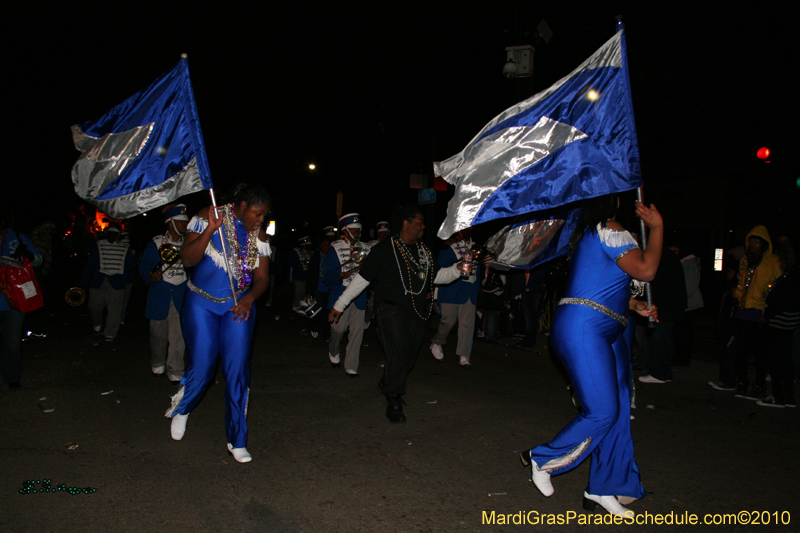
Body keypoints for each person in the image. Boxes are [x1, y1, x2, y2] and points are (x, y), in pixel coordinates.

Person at [520, 195, 662, 518]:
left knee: (620, 406)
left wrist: (635, 305)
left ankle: (603, 486)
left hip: (608, 329)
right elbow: (647, 269)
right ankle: (543, 458)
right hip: (586, 329)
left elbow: (603, 287)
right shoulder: (607, 229)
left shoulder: (588, 234)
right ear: (610, 200)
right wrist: (658, 228)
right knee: (602, 411)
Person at [165, 184, 270, 464]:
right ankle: (183, 408)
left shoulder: (257, 235)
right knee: (203, 368)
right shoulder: (206, 215)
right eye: (258, 214)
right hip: (201, 304)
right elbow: (187, 259)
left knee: (238, 372)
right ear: (243, 205)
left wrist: (249, 300)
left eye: (265, 216)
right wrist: (210, 229)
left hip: (237, 307)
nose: (262, 221)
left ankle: (237, 439)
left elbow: (262, 279)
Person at [329, 204, 463, 422]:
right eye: (419, 223)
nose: (423, 227)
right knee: (398, 353)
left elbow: (437, 277)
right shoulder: (384, 250)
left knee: (408, 358)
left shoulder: (424, 252)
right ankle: (394, 399)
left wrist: (457, 270)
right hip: (389, 310)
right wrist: (340, 305)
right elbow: (362, 279)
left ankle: (387, 382)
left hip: (416, 313)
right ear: (406, 223)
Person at [138, 204, 189, 384]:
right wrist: (151, 276)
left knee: (178, 337)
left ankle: (176, 370)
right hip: (159, 296)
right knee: (158, 336)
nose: (185, 225)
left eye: (185, 222)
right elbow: (144, 268)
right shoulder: (156, 244)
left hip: (180, 296)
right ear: (170, 224)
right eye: (181, 222)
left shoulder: (189, 244)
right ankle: (158, 363)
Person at [730, 226, 782, 400]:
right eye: (750, 241)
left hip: (760, 312)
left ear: (764, 244)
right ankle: (742, 384)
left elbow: (777, 288)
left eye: (757, 242)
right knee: (741, 353)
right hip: (742, 311)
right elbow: (740, 282)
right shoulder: (745, 260)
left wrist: (768, 306)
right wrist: (736, 294)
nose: (753, 245)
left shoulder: (773, 262)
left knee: (760, 354)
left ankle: (759, 386)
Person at [324, 213, 371, 377]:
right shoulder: (335, 248)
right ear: (345, 230)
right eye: (354, 228)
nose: (357, 231)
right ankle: (334, 350)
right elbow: (327, 275)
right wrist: (338, 276)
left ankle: (351, 366)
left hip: (360, 297)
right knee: (338, 329)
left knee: (357, 333)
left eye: (358, 228)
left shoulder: (366, 248)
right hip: (340, 294)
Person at [1, 220, 43, 389]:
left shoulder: (14, 237)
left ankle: (12, 378)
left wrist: (29, 256)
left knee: (12, 342)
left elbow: (39, 259)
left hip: (14, 297)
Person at [430, 228, 480, 367]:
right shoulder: (449, 246)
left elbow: (478, 271)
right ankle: (437, 342)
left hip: (469, 290)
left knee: (467, 324)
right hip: (451, 290)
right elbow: (440, 267)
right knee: (448, 321)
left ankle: (464, 354)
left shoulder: (475, 247)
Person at [81, 225, 136, 341]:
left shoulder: (125, 248)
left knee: (115, 310)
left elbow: (131, 265)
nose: (112, 235)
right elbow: (90, 264)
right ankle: (97, 324)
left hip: (117, 282)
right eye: (110, 233)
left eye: (114, 233)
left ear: (118, 235)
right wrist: (84, 281)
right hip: (98, 280)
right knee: (93, 306)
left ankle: (110, 333)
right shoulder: (99, 245)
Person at [288, 235, 312, 312]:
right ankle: (295, 306)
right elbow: (291, 263)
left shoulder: (311, 252)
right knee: (298, 292)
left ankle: (302, 307)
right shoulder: (296, 251)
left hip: (307, 276)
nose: (310, 246)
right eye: (308, 244)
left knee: (304, 292)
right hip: (298, 276)